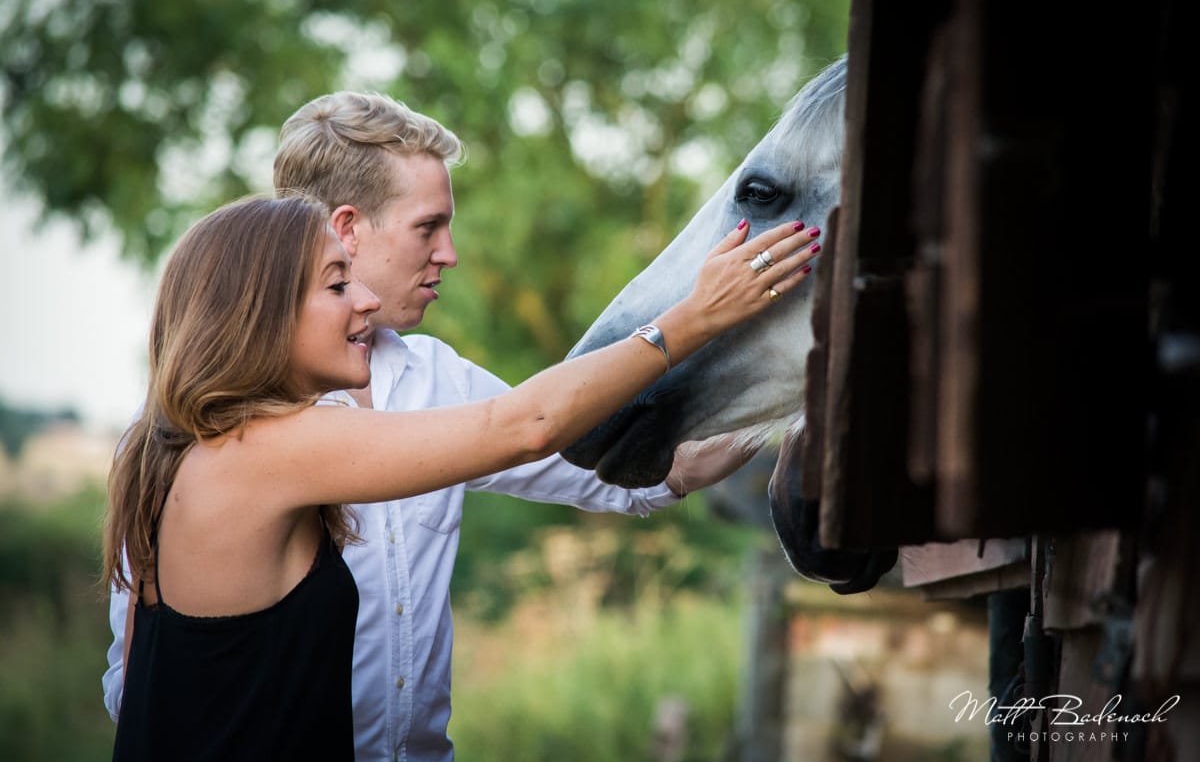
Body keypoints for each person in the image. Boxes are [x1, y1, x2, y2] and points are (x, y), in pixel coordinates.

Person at [103, 92, 823, 760]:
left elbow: (160, 679)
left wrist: (781, 381)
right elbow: (530, 422)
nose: (359, 298)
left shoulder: (179, 446)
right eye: (334, 283)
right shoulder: (266, 447)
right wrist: (693, 319)